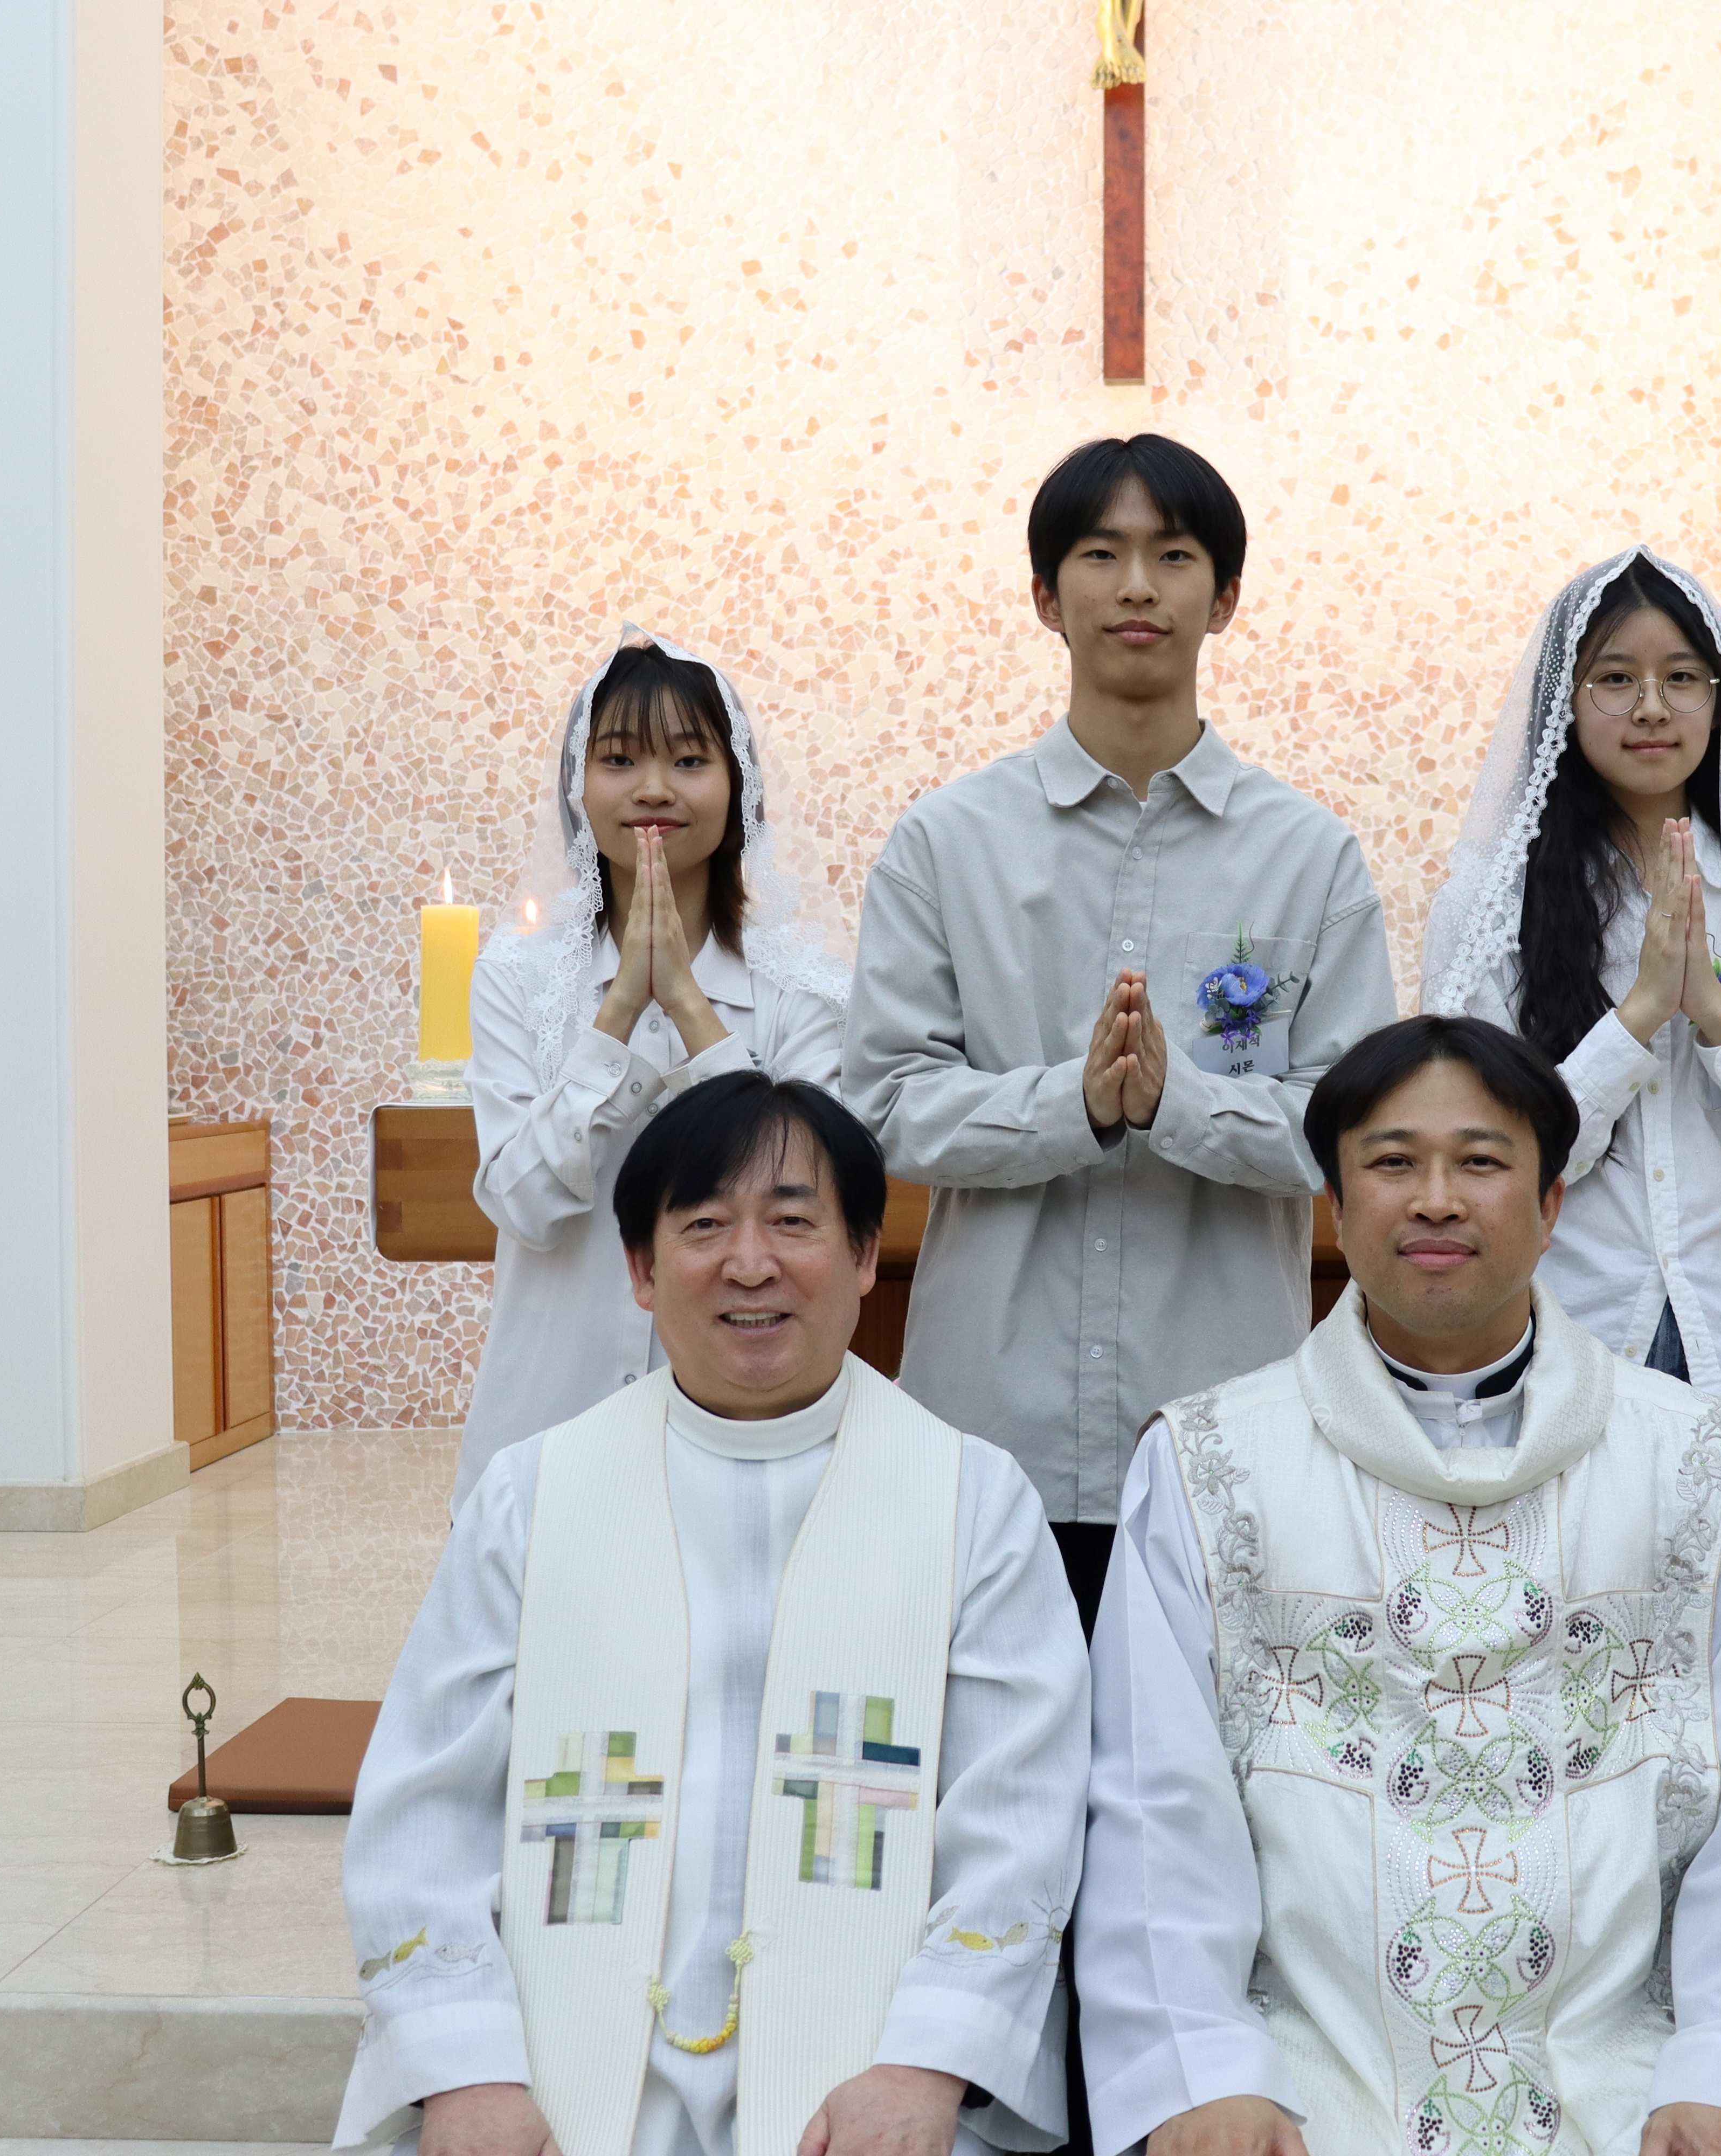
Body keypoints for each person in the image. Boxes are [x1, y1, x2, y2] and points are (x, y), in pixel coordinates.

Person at [1075, 1015, 1721, 2156]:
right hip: (1306, 2087)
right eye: (1393, 1162)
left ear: (1551, 1203)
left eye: (1481, 1161)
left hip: (1625, 2088)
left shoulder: (1691, 1460)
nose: (1436, 1200)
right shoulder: (1209, 1465)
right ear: (1337, 1202)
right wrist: (1208, 2072)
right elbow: (1157, 1808)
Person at [338, 1074, 1087, 2156]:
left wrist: (927, 2065)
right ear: (641, 1270)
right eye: (704, 1225)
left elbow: (1021, 1817)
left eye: (792, 1221)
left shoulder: (972, 1498)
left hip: (878, 2098)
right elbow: (424, 1808)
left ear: (865, 1255)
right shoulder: (532, 1496)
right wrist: (466, 2072)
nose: (750, 1263)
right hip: (549, 2096)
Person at [844, 433, 1399, 1626]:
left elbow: (1359, 1137)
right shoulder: (946, 843)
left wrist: (1176, 1104)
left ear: (1226, 598)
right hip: (992, 1430)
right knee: (987, 1740)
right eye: (1101, 554)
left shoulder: (1310, 857)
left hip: (1227, 1432)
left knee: (1213, 1746)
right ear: (1047, 598)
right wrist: (1078, 1104)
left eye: (1174, 555)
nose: (1137, 586)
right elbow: (883, 1104)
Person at [1421, 551, 1721, 1772]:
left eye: (1682, 677)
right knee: (1556, 1742)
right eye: (1615, 678)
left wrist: (1719, 1021)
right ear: (1565, 705)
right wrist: (1635, 1021)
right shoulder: (1487, 903)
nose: (1650, 706)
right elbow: (1473, 1171)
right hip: (1560, 1367)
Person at [450, 627, 848, 1510]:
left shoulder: (807, 992)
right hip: (548, 1422)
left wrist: (694, 1015)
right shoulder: (517, 979)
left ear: (737, 786)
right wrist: (619, 1016)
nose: (655, 789)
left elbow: (810, 1195)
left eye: (691, 760)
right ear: (578, 785)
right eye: (620, 759)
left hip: (746, 1426)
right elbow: (522, 1204)